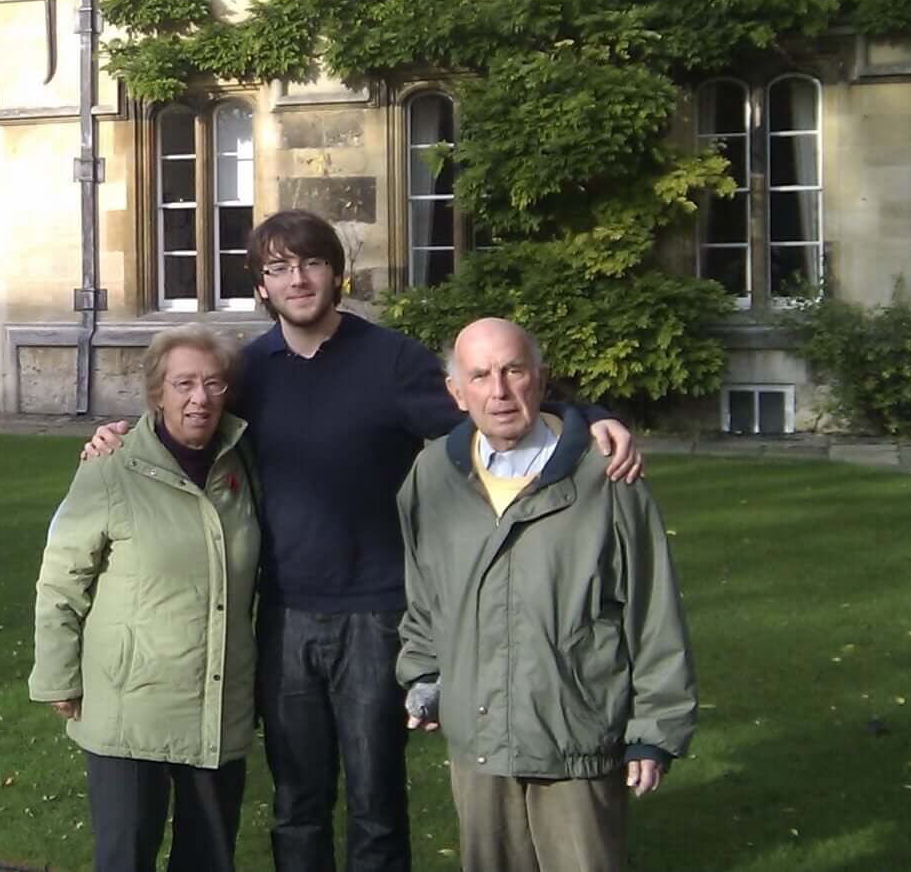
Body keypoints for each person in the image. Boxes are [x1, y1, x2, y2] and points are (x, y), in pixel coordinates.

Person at [82, 209, 641, 872]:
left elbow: (494, 406)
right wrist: (118, 435)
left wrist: (592, 417)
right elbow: (186, 421)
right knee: (298, 800)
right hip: (285, 613)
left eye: (311, 263)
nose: (297, 280)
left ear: (335, 273)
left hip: (378, 614)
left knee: (377, 801)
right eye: (279, 269)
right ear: (261, 287)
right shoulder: (250, 372)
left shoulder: (391, 360)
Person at [398, 318, 696, 872]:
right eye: (480, 375)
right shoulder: (432, 474)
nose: (500, 391)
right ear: (456, 393)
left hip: (576, 733)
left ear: (540, 377)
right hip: (479, 740)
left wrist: (656, 730)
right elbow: (423, 589)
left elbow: (654, 608)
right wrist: (424, 674)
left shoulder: (606, 474)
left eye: (513, 370)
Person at [31, 324, 260, 872]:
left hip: (215, 702)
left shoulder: (247, 464)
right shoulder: (110, 468)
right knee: (126, 856)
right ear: (157, 392)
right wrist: (58, 677)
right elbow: (61, 580)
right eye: (183, 384)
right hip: (129, 704)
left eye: (213, 384)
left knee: (208, 858)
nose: (199, 398)